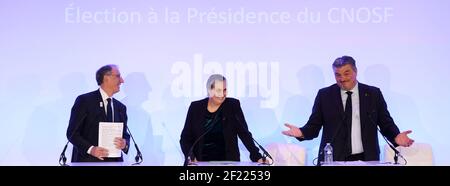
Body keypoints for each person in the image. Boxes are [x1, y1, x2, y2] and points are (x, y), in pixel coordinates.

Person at [282, 56, 414, 163]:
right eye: (337, 74)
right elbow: (314, 126)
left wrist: (396, 136)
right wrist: (301, 132)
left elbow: (386, 123)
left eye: (346, 73)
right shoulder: (325, 95)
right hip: (332, 159)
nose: (342, 78)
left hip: (366, 159)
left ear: (355, 71)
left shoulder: (373, 94)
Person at [180, 74, 266, 164]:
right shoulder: (195, 107)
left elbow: (244, 134)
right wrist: (191, 158)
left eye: (224, 90)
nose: (222, 94)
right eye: (218, 90)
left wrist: (257, 156)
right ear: (209, 90)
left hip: (228, 163)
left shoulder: (232, 106)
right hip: (200, 162)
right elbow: (185, 138)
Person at [66, 64, 130, 162]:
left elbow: (124, 134)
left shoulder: (121, 107)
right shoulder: (84, 101)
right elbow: (72, 133)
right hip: (88, 162)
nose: (122, 80)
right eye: (118, 76)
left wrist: (124, 143)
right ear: (106, 78)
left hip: (115, 162)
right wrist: (91, 149)